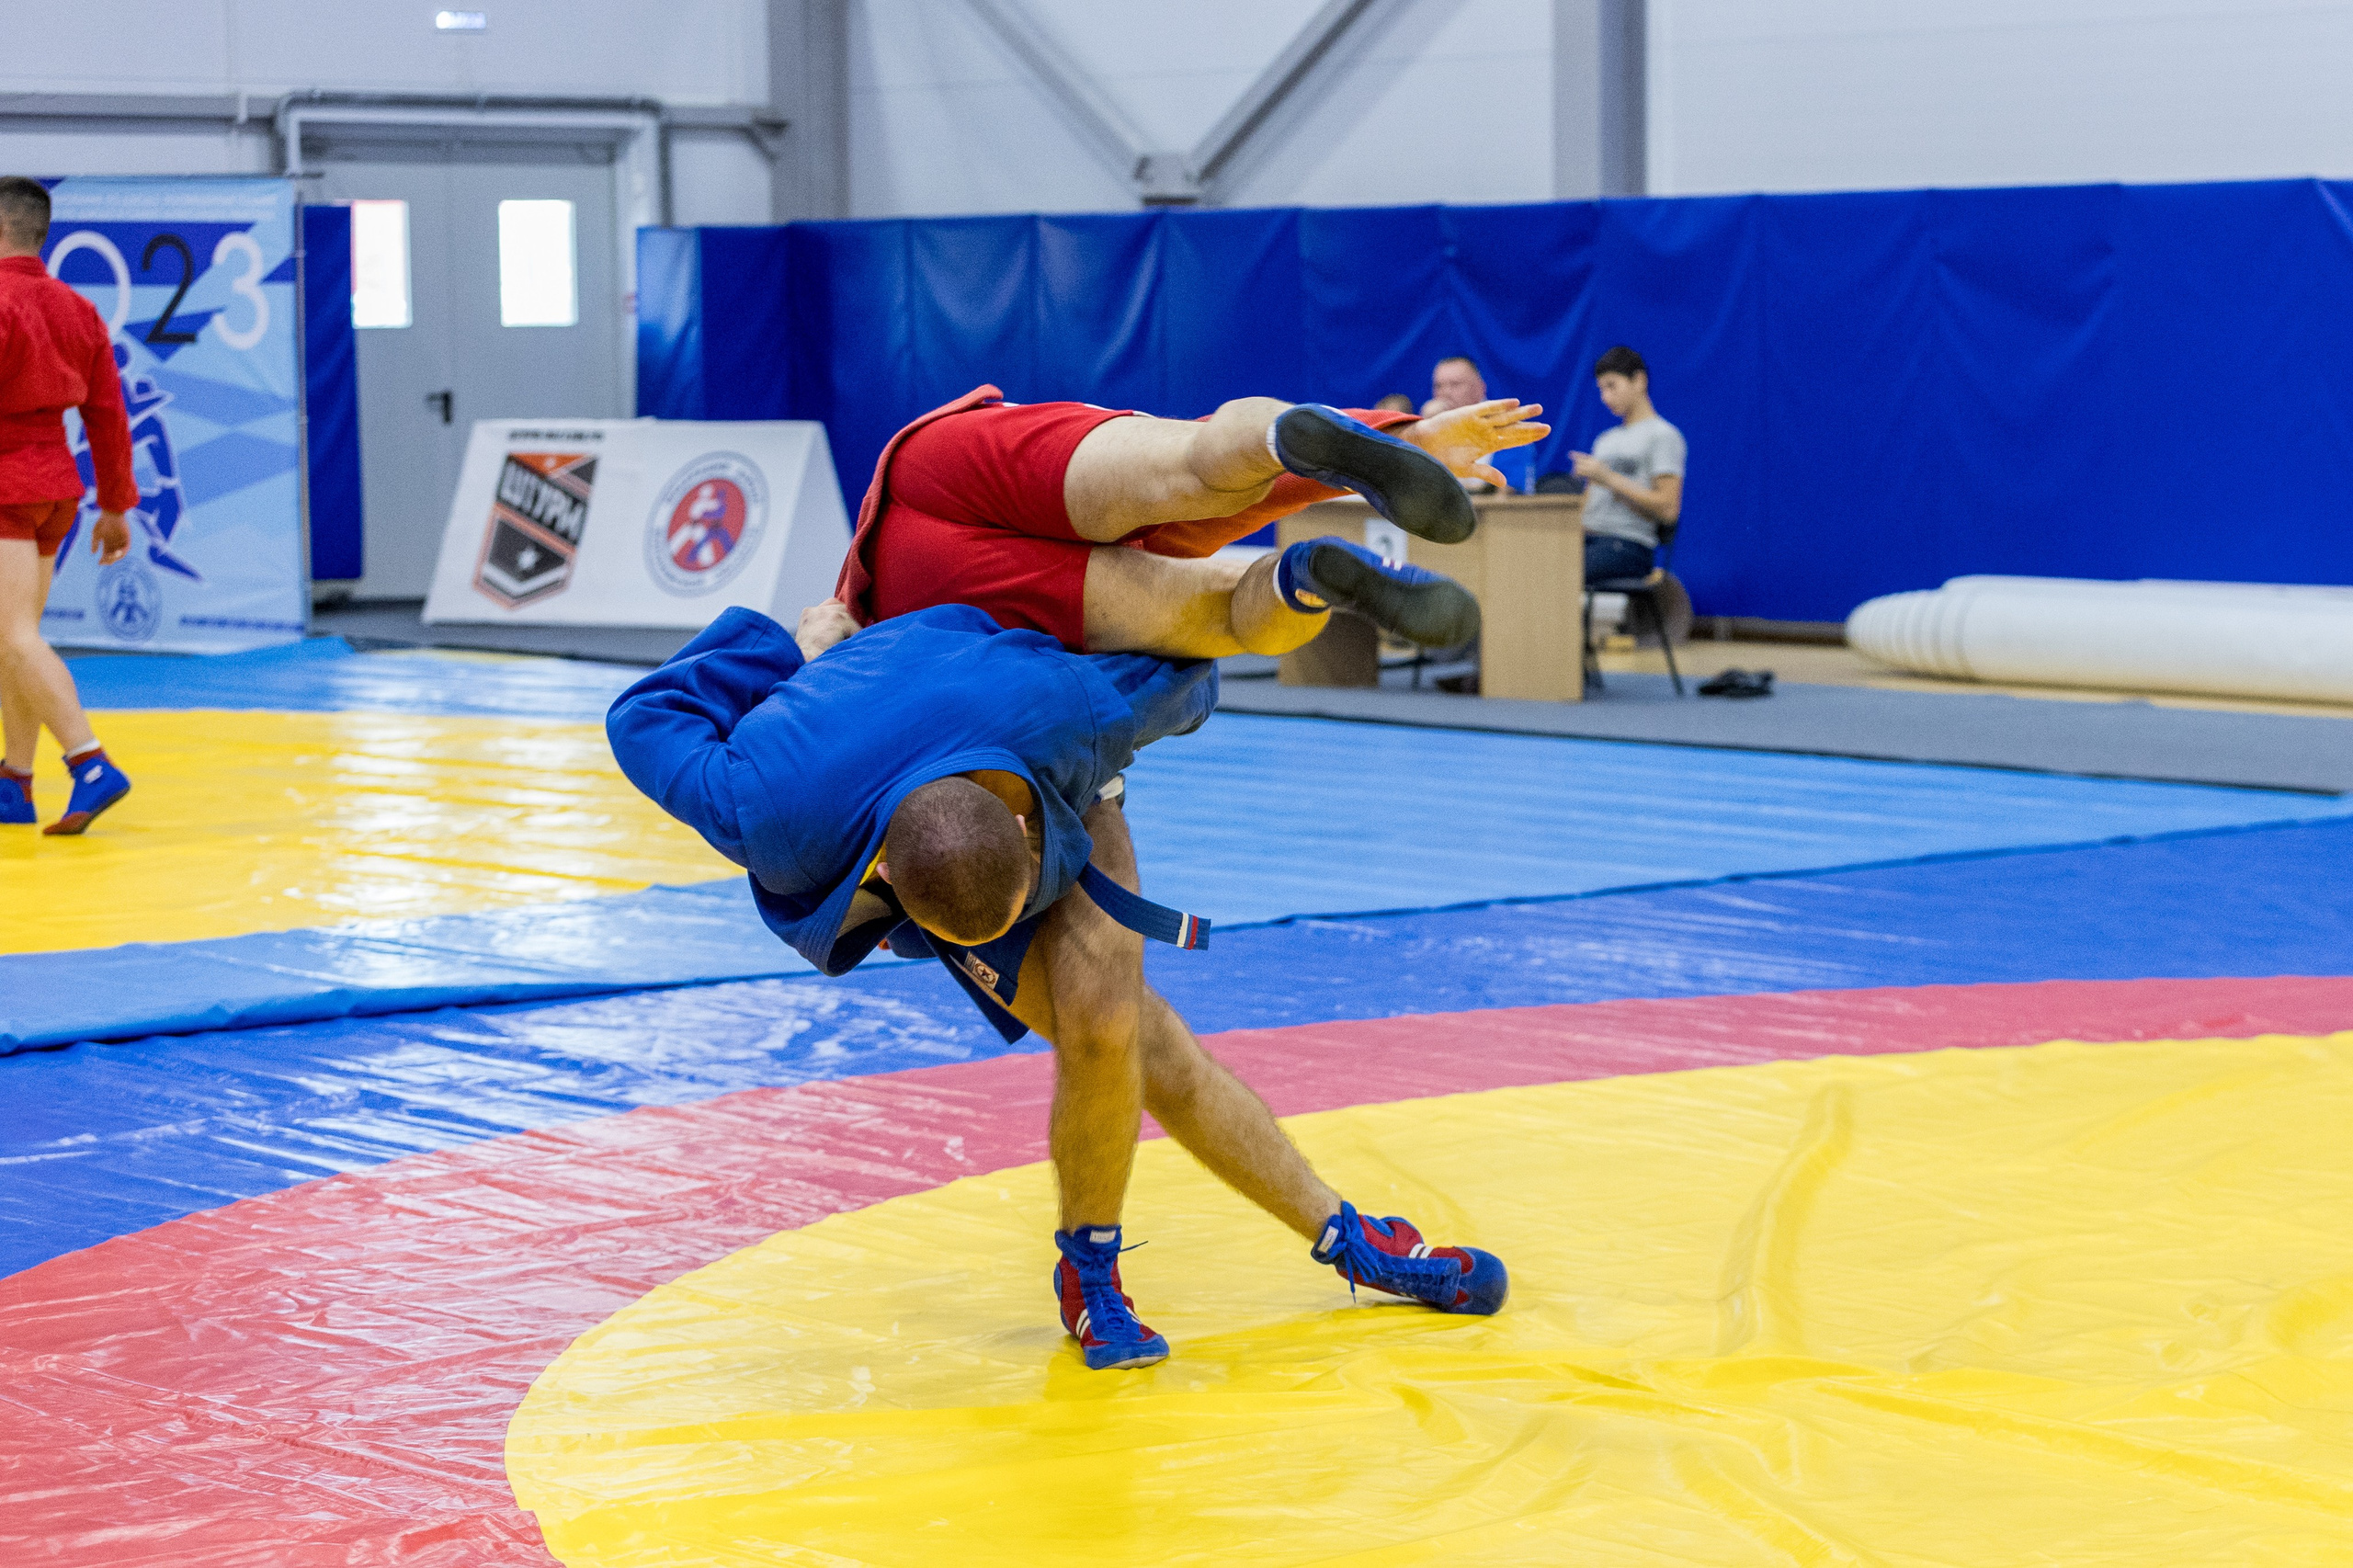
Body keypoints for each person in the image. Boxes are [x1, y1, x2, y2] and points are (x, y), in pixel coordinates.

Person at [608, 602, 1509, 1373]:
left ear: (1019, 823)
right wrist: (800, 664)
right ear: (879, 867)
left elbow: (1188, 667)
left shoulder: (1069, 709)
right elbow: (637, 713)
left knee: (1111, 1029)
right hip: (911, 759)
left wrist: (1266, 599)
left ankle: (1188, 1256)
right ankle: (1294, 1241)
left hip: (1046, 753)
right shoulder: (769, 806)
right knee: (1135, 1042)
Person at [835, 387, 1547, 660]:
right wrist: (1406, 431)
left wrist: (824, 647)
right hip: (934, 461)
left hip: (908, 604)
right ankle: (1316, 450)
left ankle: (1304, 578)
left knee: (1227, 613)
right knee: (1195, 463)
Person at [0, 176, 135, 835]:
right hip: (57, 486)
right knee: (12, 641)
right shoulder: (77, 309)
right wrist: (116, 506)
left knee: (14, 638)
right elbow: (108, 413)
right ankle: (14, 784)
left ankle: (89, 761)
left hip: (4, 484)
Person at [1568, 345, 1686, 584]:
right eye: (1601, 389)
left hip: (1627, 545)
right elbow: (1588, 502)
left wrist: (1609, 478)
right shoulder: (1605, 440)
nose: (1605, 397)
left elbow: (1668, 509)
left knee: (1559, 572)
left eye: (1612, 386)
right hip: (1588, 540)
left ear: (1639, 381)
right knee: (1536, 559)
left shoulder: (1663, 435)